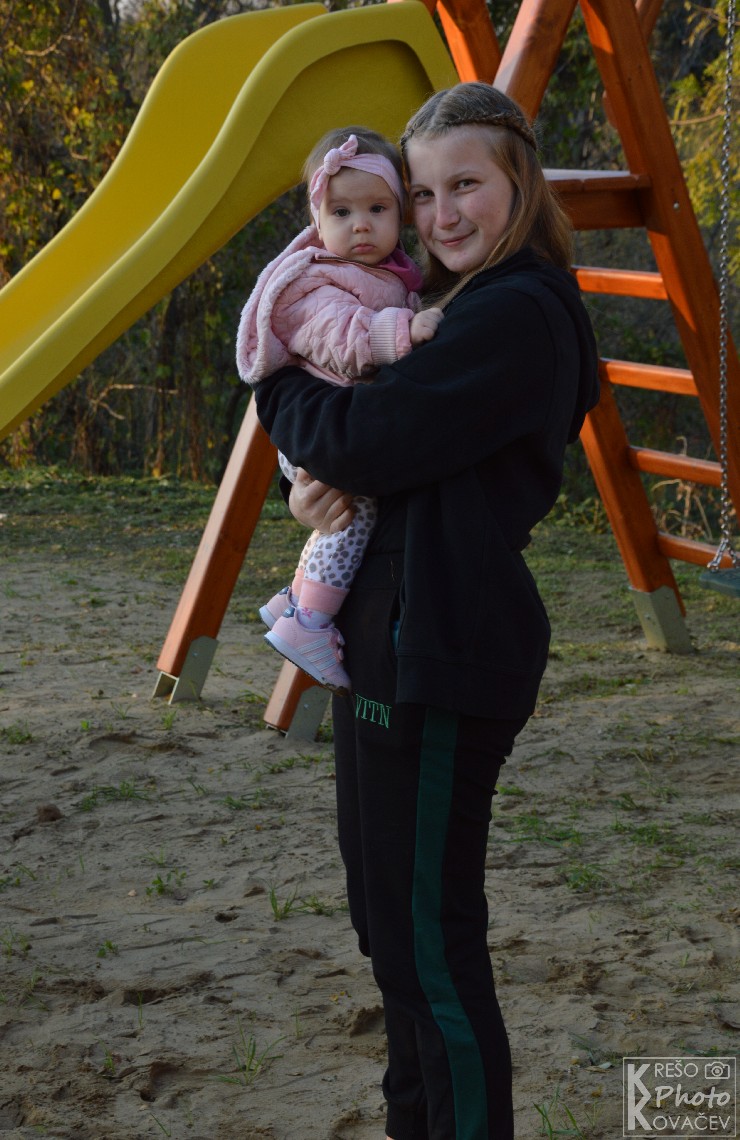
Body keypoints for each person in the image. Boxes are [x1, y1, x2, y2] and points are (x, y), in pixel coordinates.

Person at [255, 82, 600, 1140]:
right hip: (382, 640)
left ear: (518, 182)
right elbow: (362, 449)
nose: (440, 214)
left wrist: (272, 383)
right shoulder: (439, 306)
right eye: (421, 192)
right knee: (385, 927)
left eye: (466, 186)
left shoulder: (515, 313)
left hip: (444, 644)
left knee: (429, 946)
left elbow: (364, 436)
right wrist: (305, 483)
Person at [236, 126, 443, 693]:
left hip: (337, 421)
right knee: (356, 515)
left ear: (400, 212)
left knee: (349, 512)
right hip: (316, 430)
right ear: (317, 218)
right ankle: (310, 621)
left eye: (378, 209)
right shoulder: (313, 279)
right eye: (342, 211)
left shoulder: (388, 272)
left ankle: (297, 596)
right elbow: (341, 339)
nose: (361, 225)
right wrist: (406, 330)